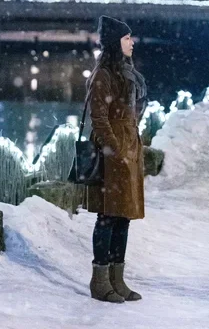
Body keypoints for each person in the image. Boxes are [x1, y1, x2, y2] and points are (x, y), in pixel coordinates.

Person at [86, 16, 147, 304]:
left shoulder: (126, 72)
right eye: (126, 38)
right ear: (114, 42)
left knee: (123, 216)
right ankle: (100, 281)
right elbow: (99, 118)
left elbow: (132, 110)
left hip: (129, 148)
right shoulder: (104, 75)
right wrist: (115, 148)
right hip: (113, 153)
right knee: (108, 216)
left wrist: (130, 144)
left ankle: (116, 279)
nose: (131, 43)